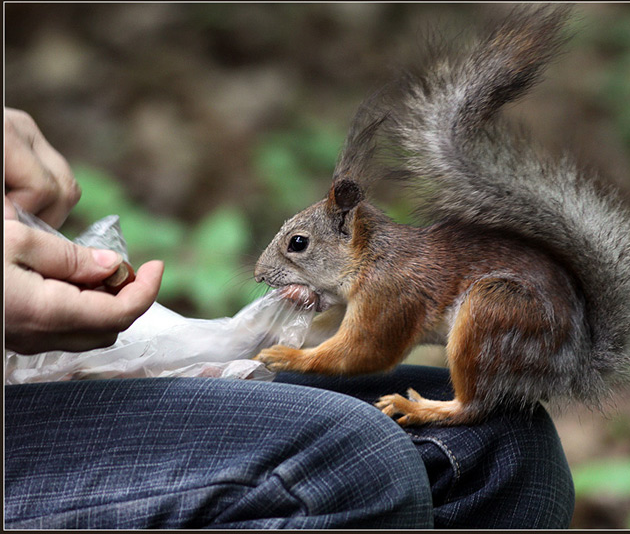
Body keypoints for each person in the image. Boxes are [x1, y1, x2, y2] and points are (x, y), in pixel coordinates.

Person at [3, 107, 575, 529]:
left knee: (509, 447)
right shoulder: (374, 279)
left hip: (516, 318)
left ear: (348, 235)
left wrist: (300, 353)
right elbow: (365, 343)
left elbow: (370, 351)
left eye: (296, 247)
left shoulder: (387, 280)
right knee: (357, 459)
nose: (271, 267)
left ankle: (464, 404)